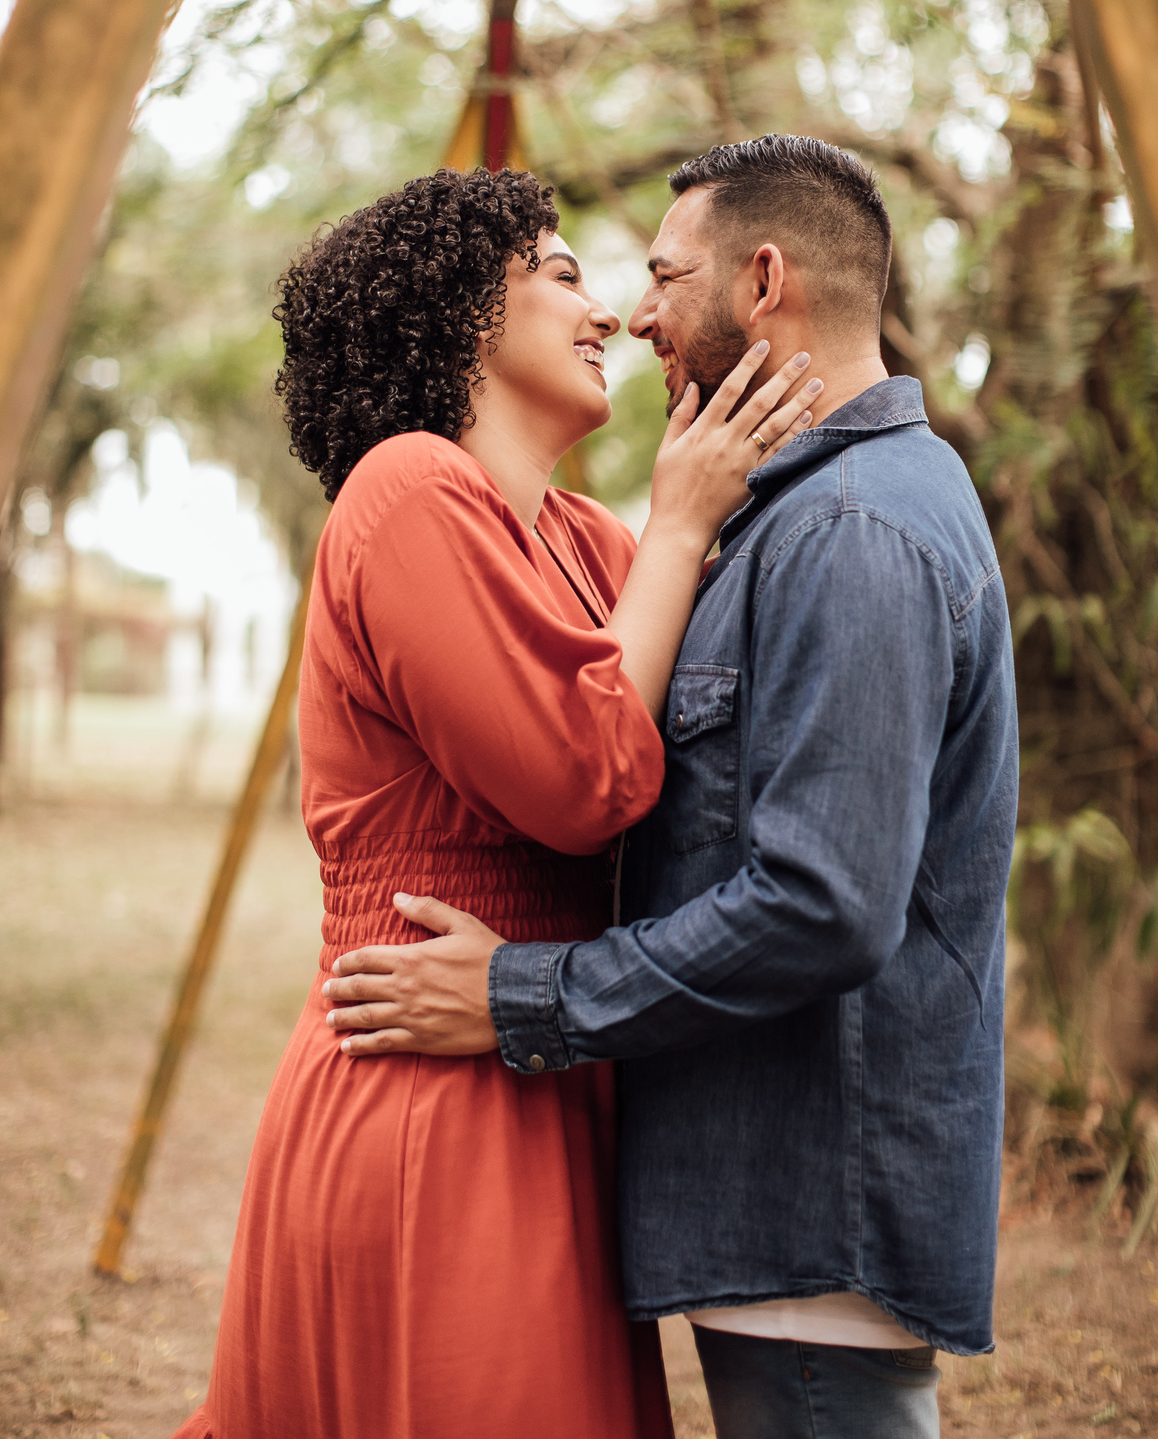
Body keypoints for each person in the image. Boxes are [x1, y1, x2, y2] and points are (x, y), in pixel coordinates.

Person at [324, 135, 1020, 1439]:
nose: (633, 313)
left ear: (764, 284)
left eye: (657, 274)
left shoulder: (850, 528)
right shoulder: (772, 518)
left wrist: (522, 993)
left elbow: (824, 900)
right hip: (741, 1195)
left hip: (811, 1207)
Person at [174, 165, 821, 1439]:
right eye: (565, 275)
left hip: (541, 1049)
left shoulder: (591, 542)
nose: (608, 314)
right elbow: (588, 777)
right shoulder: (404, 490)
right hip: (431, 1083)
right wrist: (685, 522)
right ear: (469, 311)